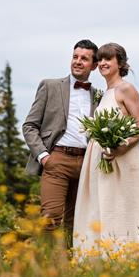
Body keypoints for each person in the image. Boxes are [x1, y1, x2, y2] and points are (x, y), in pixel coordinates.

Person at [73, 43, 139, 256]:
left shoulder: (126, 89)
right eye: (100, 59)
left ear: (120, 63)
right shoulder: (105, 93)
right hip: (102, 160)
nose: (103, 63)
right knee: (104, 207)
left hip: (122, 159)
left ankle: (131, 256)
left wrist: (118, 148)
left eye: (108, 59)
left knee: (123, 207)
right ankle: (105, 256)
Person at [22, 39, 98, 243]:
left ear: (94, 65)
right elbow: (29, 126)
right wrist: (44, 157)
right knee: (50, 218)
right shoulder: (50, 86)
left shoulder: (97, 95)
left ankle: (70, 269)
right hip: (57, 161)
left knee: (76, 224)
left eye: (84, 58)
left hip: (85, 165)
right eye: (75, 57)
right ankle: (45, 268)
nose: (78, 61)